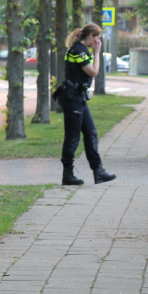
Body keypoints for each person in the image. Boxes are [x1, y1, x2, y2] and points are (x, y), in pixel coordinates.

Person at [54, 23, 116, 186]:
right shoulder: (77, 51)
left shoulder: (82, 51)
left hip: (78, 97)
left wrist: (94, 52)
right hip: (72, 98)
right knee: (73, 136)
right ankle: (68, 174)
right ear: (90, 37)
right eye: (97, 39)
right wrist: (97, 52)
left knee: (91, 133)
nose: (98, 42)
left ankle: (98, 171)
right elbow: (93, 72)